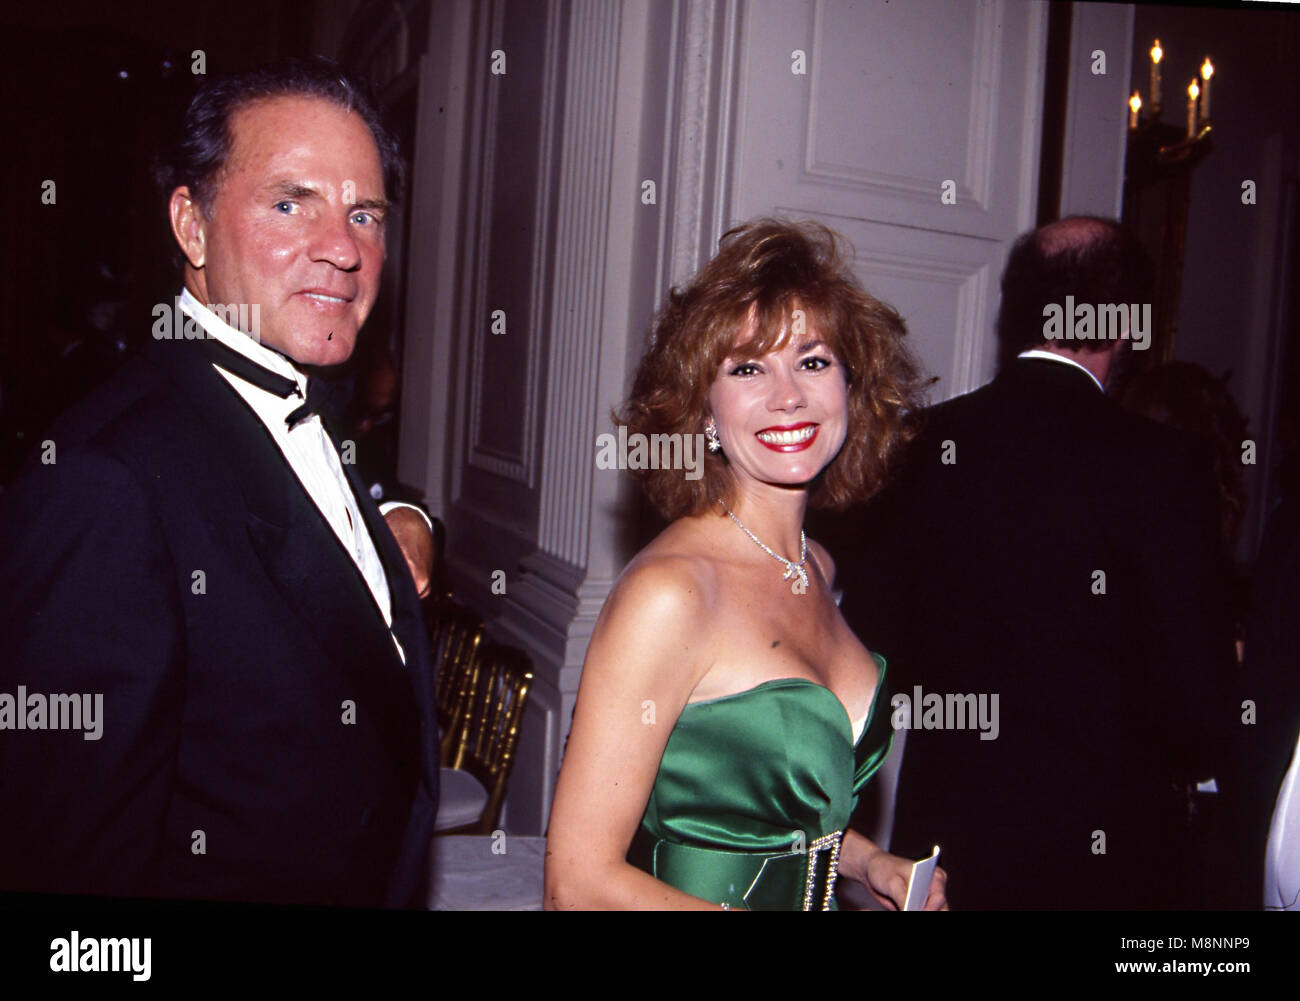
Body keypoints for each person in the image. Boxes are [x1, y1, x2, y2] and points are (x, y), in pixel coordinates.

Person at [0, 58, 440, 907]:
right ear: (191, 228)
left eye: (364, 213)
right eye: (290, 202)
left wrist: (410, 512)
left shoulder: (288, 401)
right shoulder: (105, 482)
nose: (343, 249)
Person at [545, 219, 946, 910]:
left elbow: (759, 810)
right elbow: (575, 882)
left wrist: (869, 862)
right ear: (702, 409)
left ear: (851, 387)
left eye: (813, 361)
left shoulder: (816, 564)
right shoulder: (670, 593)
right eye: (748, 367)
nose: (788, 395)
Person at [837, 216, 1236, 909]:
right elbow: (1202, 722)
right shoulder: (1166, 467)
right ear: (1123, 323)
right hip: (1111, 872)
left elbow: (862, 664)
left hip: (948, 858)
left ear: (1016, 311)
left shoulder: (918, 449)